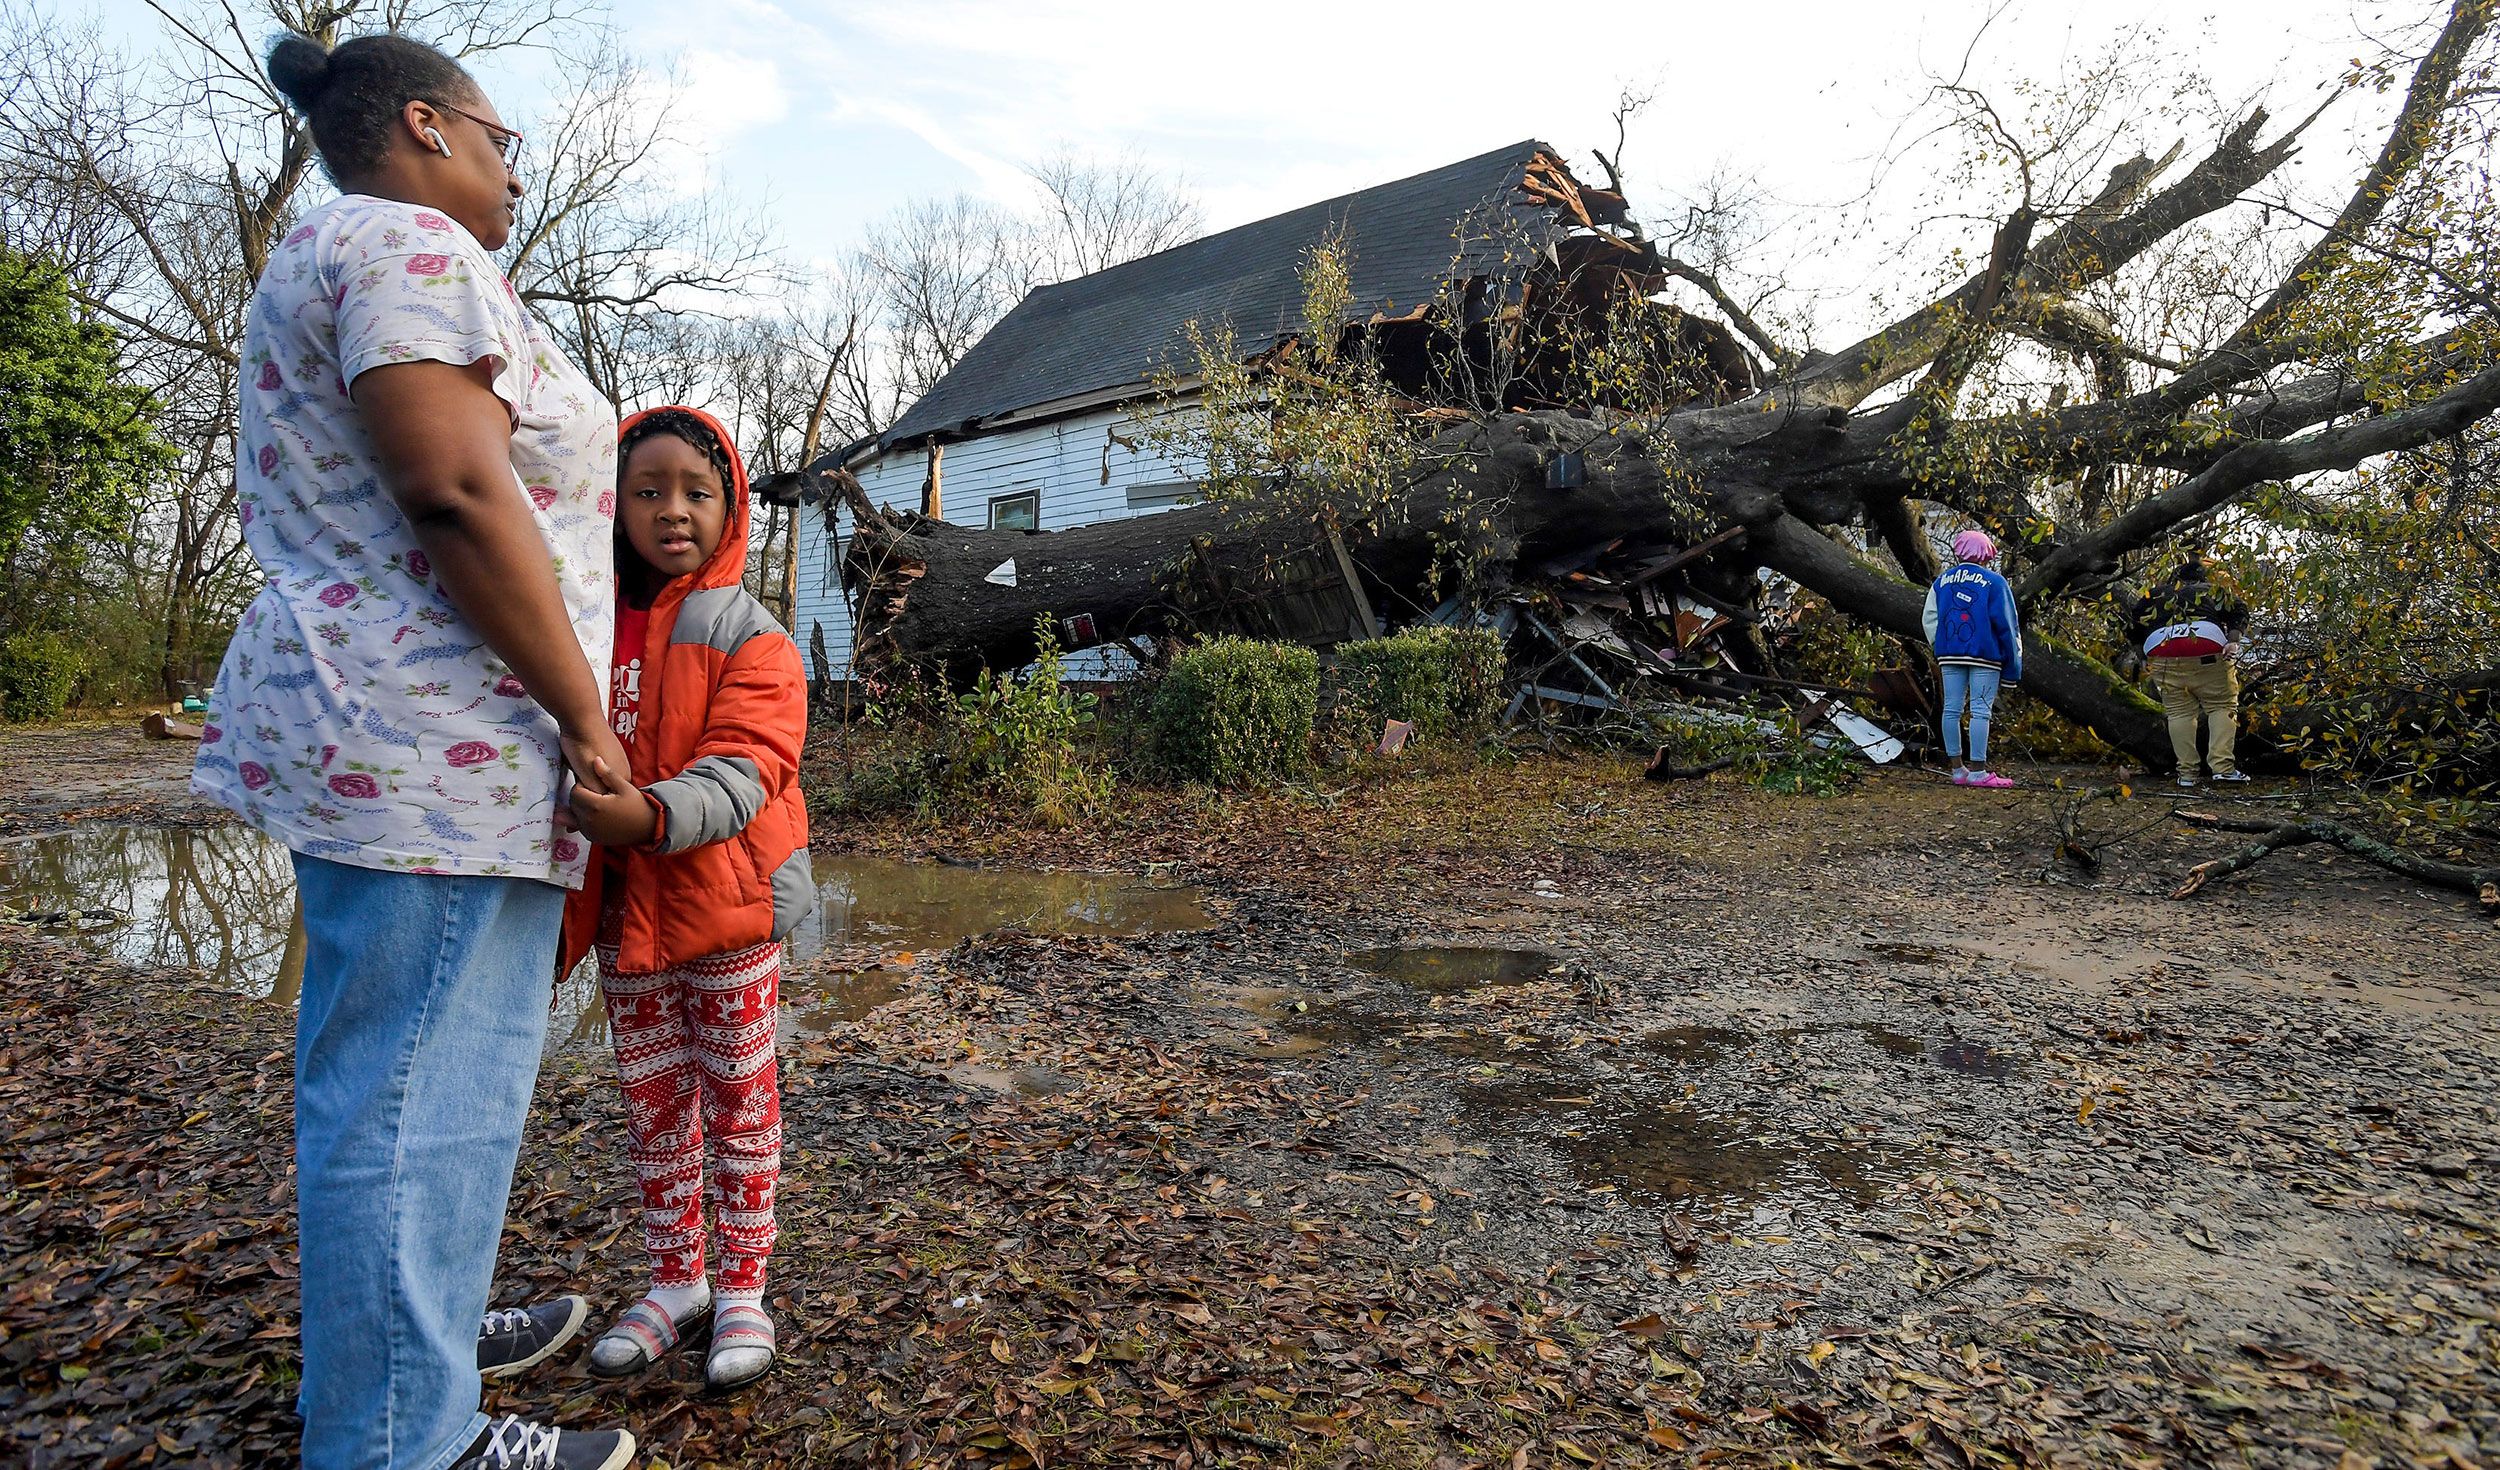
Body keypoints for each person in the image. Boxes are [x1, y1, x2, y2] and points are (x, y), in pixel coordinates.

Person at [193, 29, 637, 1470]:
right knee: (411, 1094)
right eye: (507, 140)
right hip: (437, 739)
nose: (515, 169)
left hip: (405, 739)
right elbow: (453, 487)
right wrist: (585, 715)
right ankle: (404, 1436)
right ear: (434, 126)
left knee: (409, 1082)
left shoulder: (352, 246)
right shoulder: (408, 245)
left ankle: (414, 1333)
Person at [559, 408, 814, 1393]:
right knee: (655, 1109)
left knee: (742, 1105)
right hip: (628, 926)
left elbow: (748, 768)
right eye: (647, 491)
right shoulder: (583, 630)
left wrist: (645, 818)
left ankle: (744, 1286)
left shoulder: (755, 638)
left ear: (731, 506)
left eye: (696, 492)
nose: (673, 511)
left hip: (728, 919)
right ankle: (678, 1281)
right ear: (612, 508)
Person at [2129, 552, 2252, 787]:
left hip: (2161, 651)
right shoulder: (2212, 590)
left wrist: (2142, 655)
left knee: (2179, 714)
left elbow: (2133, 623)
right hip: (2206, 646)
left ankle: (2186, 774)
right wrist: (2233, 639)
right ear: (2201, 579)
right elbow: (2239, 610)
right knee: (2222, 705)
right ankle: (2222, 767)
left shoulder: (2155, 594)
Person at [1923, 529, 2024, 789]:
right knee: (1980, 711)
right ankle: (1979, 771)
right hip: (1985, 655)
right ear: (1986, 555)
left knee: (1952, 709)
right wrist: (2012, 667)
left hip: (1949, 654)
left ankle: (1957, 769)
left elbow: (1929, 619)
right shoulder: (1995, 582)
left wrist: (1940, 644)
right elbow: (2007, 626)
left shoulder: (1942, 582)